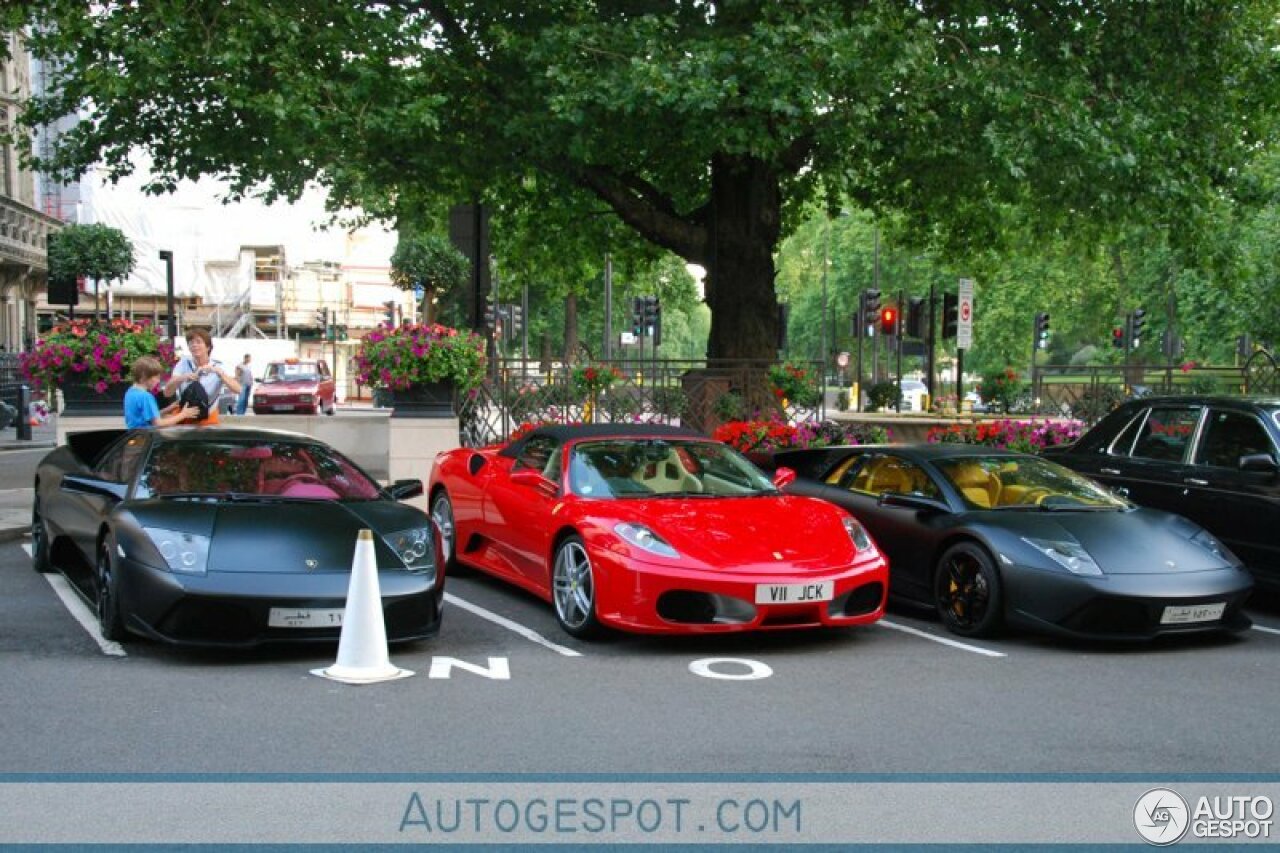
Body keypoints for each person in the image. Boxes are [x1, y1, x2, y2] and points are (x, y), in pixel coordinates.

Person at [163, 328, 240, 425]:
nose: (194, 345)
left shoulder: (218, 365)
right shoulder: (183, 364)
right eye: (191, 343)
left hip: (208, 417)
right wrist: (183, 377)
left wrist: (220, 374)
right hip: (185, 415)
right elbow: (167, 393)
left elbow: (238, 390)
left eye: (198, 342)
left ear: (208, 347)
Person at [125, 356, 198, 429]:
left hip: (135, 434)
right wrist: (183, 415)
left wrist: (169, 408)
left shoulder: (130, 392)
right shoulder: (146, 396)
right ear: (144, 376)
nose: (158, 381)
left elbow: (150, 416)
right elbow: (158, 423)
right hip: (147, 435)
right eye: (156, 377)